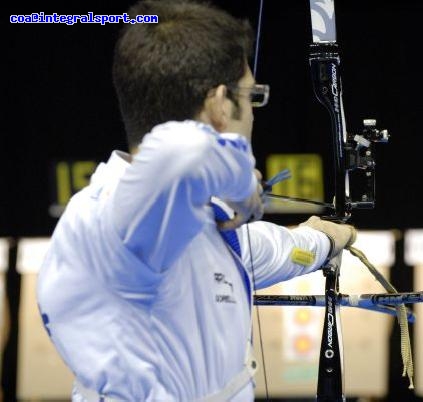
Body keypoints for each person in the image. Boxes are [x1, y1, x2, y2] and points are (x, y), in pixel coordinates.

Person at [36, 0, 356, 400]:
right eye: (252, 97)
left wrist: (328, 238)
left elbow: (279, 249)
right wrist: (240, 178)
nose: (253, 115)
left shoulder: (204, 225)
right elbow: (182, 150)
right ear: (221, 104)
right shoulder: (115, 219)